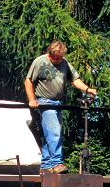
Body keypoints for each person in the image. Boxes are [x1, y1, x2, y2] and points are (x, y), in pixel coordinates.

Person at [25, 41, 97, 173]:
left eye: (60, 58)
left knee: (50, 133)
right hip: (45, 102)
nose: (58, 60)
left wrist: (87, 89)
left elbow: (75, 79)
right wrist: (32, 100)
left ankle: (46, 165)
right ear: (49, 53)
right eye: (55, 58)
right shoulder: (40, 62)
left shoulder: (64, 62)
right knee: (54, 132)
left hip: (59, 103)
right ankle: (57, 163)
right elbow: (29, 80)